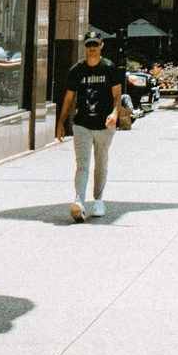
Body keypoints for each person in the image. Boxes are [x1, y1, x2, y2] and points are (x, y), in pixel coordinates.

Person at [57, 31, 123, 221]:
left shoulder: (110, 68)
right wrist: (61, 122)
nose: (92, 47)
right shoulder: (77, 70)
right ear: (84, 46)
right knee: (82, 164)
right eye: (89, 44)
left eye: (95, 44)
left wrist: (114, 113)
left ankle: (99, 200)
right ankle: (79, 201)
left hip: (104, 125)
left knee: (101, 163)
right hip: (82, 124)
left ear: (101, 45)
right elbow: (69, 98)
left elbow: (117, 96)